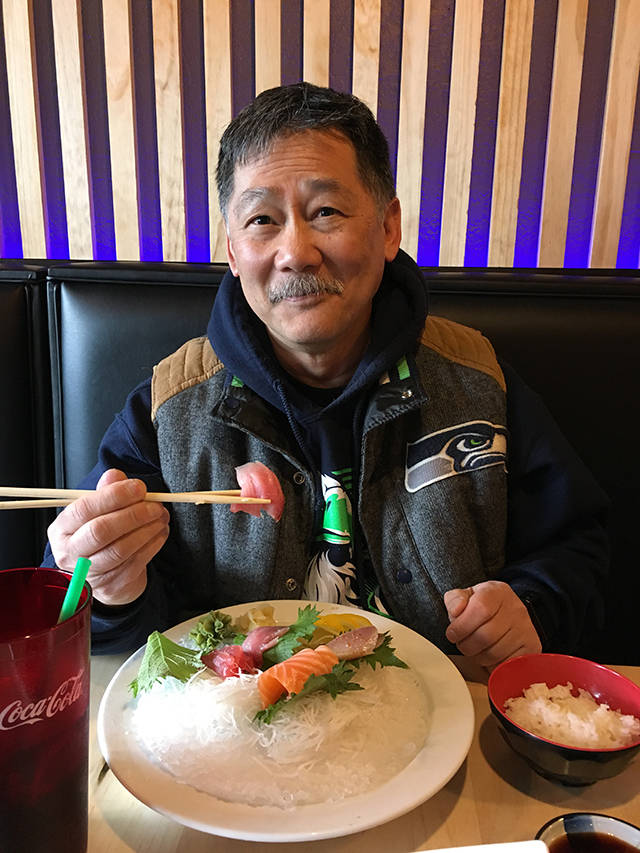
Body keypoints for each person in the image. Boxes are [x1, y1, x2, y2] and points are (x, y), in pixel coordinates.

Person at [44, 83, 609, 667]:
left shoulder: (478, 382)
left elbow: (581, 547)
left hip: (440, 730)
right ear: (233, 252)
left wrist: (533, 606)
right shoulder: (168, 409)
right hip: (238, 743)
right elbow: (89, 632)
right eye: (262, 219)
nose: (297, 251)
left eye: (326, 212)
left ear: (389, 228)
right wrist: (111, 593)